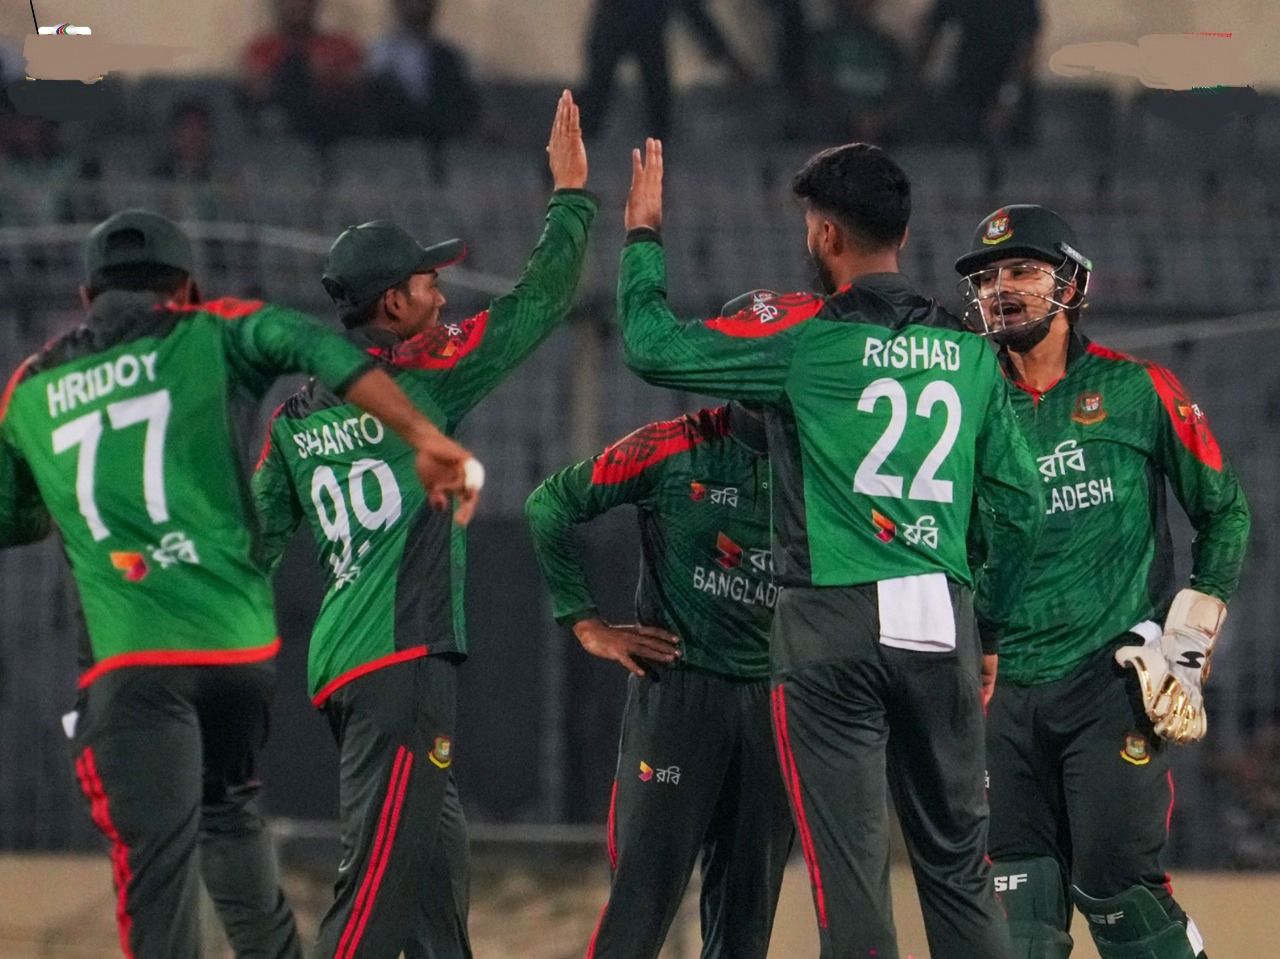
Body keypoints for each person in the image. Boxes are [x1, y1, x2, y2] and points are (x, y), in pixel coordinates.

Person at [0, 210, 478, 959]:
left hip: (133, 659)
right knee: (228, 813)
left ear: (85, 292)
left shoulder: (32, 384)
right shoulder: (214, 329)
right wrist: (423, 433)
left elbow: (13, 516)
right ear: (186, 286)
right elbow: (316, 344)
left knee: (156, 875)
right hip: (234, 652)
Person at [615, 138, 1043, 959]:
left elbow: (649, 346)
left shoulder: (804, 344)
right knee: (957, 865)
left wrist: (642, 238)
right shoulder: (967, 353)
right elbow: (1020, 511)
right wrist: (987, 628)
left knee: (849, 873)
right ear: (905, 236)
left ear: (824, 237)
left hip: (830, 623)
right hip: (939, 615)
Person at [250, 90, 595, 959]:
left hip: (339, 662)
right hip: (403, 659)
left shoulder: (294, 417)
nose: (441, 293)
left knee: (436, 890)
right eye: (427, 281)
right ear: (392, 307)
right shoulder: (426, 379)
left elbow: (251, 544)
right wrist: (570, 199)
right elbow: (539, 303)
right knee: (375, 890)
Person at [953, 204, 1251, 959]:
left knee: (1120, 897)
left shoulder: (1139, 390)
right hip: (1000, 692)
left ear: (1073, 283)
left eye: (1022, 269)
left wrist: (1187, 636)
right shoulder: (961, 405)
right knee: (1014, 927)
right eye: (988, 277)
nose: (1002, 288)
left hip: (1109, 680)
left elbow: (1224, 513)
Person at [525, 397, 793, 959]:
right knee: (641, 900)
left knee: (748, 914)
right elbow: (549, 504)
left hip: (777, 703)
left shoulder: (825, 453)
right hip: (679, 695)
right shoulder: (673, 445)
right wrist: (585, 624)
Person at [578, 0, 751, 142]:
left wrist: (729, 60)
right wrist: (730, 61)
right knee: (597, 107)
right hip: (630, 30)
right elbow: (696, 17)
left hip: (629, 30)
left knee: (656, 108)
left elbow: (697, 18)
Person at [911, 0, 1041, 145]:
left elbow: (1027, 48)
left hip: (1009, 93)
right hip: (967, 93)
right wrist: (913, 84)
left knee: (1015, 159)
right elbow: (932, 30)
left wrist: (1007, 98)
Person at [241, 0, 364, 144]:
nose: (296, 5)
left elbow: (354, 85)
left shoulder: (341, 46)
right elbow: (256, 89)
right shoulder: (262, 48)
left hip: (335, 131)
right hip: (278, 134)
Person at [367, 0, 480, 150]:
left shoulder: (448, 56)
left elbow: (463, 105)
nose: (417, 7)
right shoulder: (384, 55)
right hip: (399, 143)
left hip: (445, 140)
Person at [800, 0, 908, 145]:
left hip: (887, 140)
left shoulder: (887, 45)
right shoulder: (824, 42)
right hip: (832, 135)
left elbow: (906, 93)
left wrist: (880, 119)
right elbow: (815, 87)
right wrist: (850, 118)